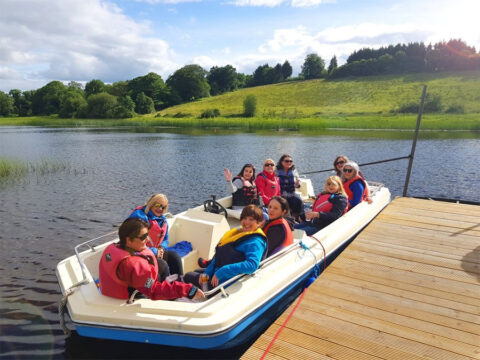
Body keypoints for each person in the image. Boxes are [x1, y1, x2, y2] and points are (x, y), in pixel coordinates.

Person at [99, 218, 204, 301]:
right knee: (163, 270)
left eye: (147, 235)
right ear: (129, 240)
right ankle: (174, 296)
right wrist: (186, 290)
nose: (147, 239)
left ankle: (176, 282)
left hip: (118, 286)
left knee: (167, 261)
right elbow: (153, 289)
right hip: (133, 294)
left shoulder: (114, 248)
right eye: (143, 237)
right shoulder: (133, 266)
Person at [185, 205, 267, 290]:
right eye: (244, 218)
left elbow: (252, 265)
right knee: (197, 272)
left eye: (251, 219)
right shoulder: (240, 234)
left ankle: (205, 292)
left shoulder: (255, 242)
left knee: (188, 276)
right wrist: (207, 273)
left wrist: (223, 271)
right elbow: (219, 257)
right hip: (218, 271)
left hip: (225, 280)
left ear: (259, 223)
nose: (246, 222)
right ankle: (203, 289)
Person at [128, 194, 183, 279]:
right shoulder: (139, 217)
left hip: (154, 253)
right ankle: (163, 290)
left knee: (175, 258)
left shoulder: (162, 221)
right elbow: (134, 243)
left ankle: (179, 286)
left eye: (163, 207)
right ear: (151, 203)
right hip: (137, 254)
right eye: (158, 205)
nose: (160, 209)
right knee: (162, 266)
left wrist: (161, 249)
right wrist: (154, 251)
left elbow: (165, 239)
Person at [275, 154, 303, 219]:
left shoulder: (293, 170)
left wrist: (298, 184)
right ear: (281, 162)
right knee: (284, 202)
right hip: (281, 193)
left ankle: (296, 217)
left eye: (290, 161)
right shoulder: (276, 170)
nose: (289, 162)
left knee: (299, 200)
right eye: (286, 161)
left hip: (291, 192)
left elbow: (298, 182)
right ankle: (285, 217)